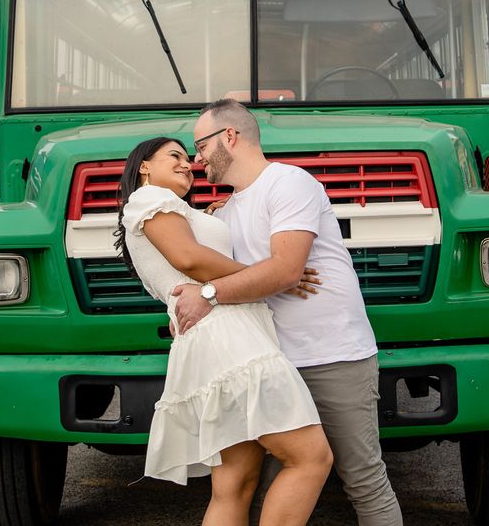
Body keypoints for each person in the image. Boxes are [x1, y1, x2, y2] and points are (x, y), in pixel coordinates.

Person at [174, 99, 403, 526]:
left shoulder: (290, 183)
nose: (196, 158)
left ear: (230, 136)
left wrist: (209, 293)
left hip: (334, 356)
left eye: (200, 145)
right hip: (273, 364)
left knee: (364, 482)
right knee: (277, 486)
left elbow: (284, 269)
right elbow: (262, 271)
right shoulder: (230, 208)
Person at [114, 136, 332, 526]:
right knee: (311, 458)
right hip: (229, 338)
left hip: (216, 338)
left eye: (188, 157)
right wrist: (275, 276)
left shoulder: (177, 211)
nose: (187, 164)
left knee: (235, 484)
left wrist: (214, 217)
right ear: (144, 167)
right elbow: (189, 259)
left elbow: (193, 252)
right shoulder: (147, 200)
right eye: (174, 156)